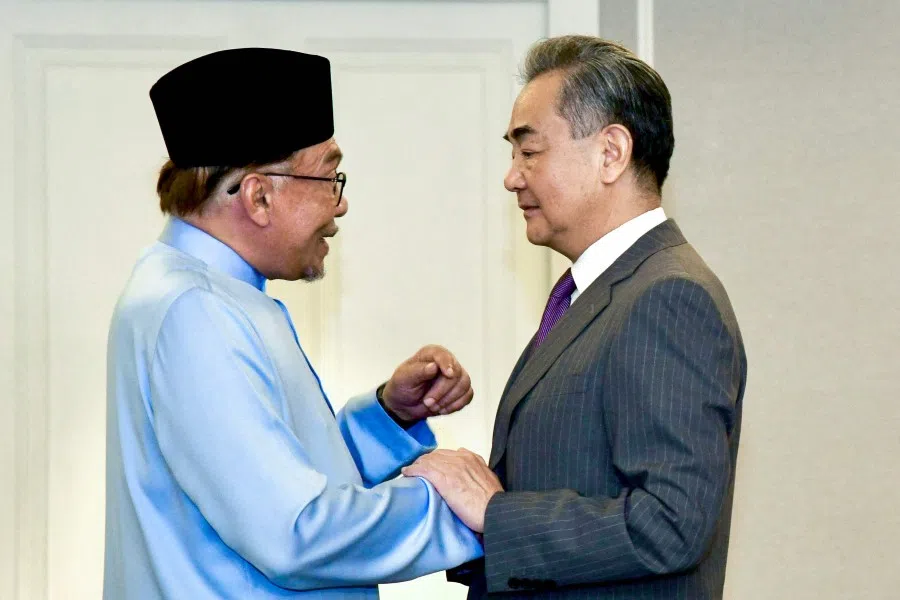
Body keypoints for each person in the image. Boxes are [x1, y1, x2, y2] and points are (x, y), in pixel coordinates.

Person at [103, 48, 483, 599]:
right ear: (258, 195)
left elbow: (275, 479)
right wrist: (462, 508)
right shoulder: (195, 311)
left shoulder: (200, 293)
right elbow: (295, 532)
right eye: (331, 177)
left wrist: (387, 418)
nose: (342, 204)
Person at [403, 35, 747, 599]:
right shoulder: (592, 293)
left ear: (611, 152)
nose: (512, 177)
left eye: (529, 151)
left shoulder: (668, 297)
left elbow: (672, 524)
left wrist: (496, 511)